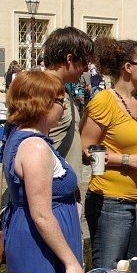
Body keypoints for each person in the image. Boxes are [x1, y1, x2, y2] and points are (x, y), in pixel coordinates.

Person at [1, 70, 84, 273]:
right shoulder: (35, 147)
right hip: (41, 247)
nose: (64, 108)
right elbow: (42, 215)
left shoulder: (20, 137)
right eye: (60, 101)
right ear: (42, 103)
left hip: (40, 240)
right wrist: (71, 262)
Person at [81, 38, 137, 270]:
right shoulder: (104, 101)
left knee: (136, 271)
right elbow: (86, 152)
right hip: (111, 201)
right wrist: (128, 160)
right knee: (109, 271)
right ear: (128, 67)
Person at [43, 27, 95, 180]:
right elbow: (33, 146)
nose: (86, 69)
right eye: (85, 62)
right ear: (69, 59)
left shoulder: (60, 89)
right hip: (53, 195)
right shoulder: (43, 91)